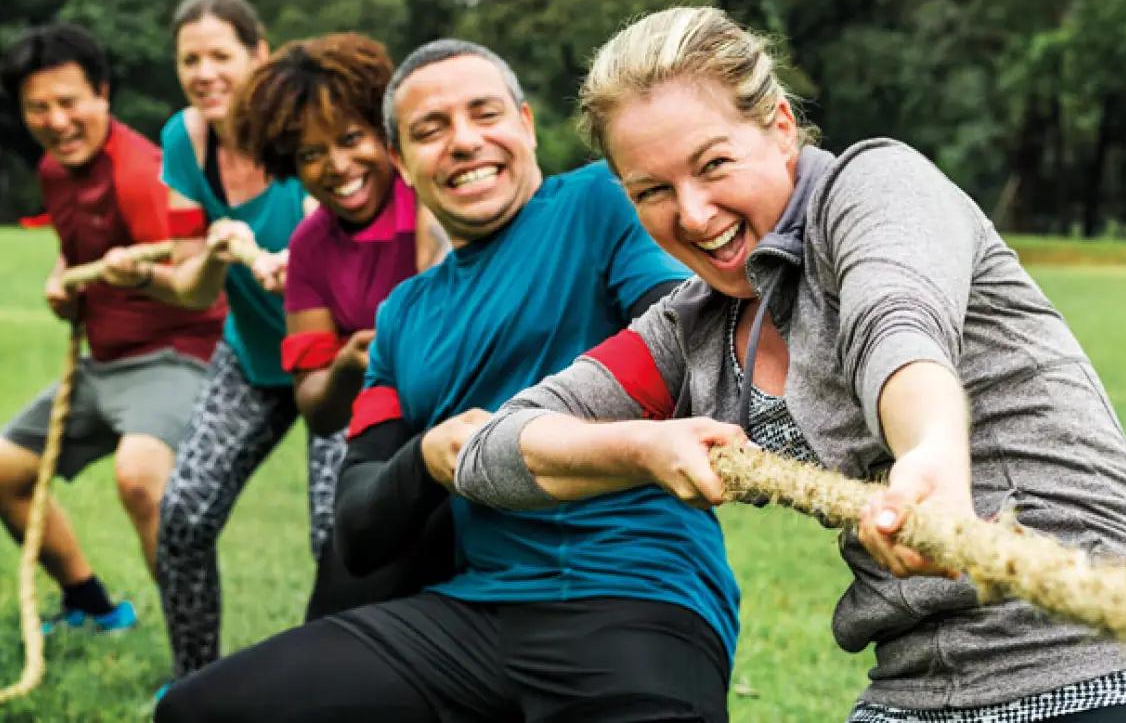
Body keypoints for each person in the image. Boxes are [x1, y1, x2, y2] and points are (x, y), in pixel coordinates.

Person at [450, 7, 1126, 723]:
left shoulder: (875, 188)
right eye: (651, 191)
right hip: (917, 693)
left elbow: (897, 325)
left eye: (713, 164)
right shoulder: (690, 329)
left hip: (1114, 657)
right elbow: (495, 451)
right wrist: (643, 447)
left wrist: (931, 458)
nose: (692, 213)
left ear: (779, 126)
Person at [156, 39, 735, 723]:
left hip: (637, 596)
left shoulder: (600, 203)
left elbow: (689, 350)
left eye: (484, 114)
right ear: (401, 162)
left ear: (525, 124)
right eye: (430, 130)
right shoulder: (401, 316)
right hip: (471, 617)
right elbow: (358, 527)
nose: (463, 141)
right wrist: (429, 456)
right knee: (196, 711)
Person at [122, 0, 342, 684]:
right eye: (190, 60)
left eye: (220, 55)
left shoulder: (307, 127)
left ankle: (342, 687)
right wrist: (199, 260)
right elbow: (192, 288)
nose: (204, 73)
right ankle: (194, 685)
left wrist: (300, 268)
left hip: (340, 360)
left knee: (336, 536)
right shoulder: (185, 141)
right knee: (183, 516)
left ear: (259, 54)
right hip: (252, 359)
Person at [0, 23, 225, 633]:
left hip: (175, 356)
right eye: (38, 108)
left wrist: (140, 276)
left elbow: (195, 281)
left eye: (69, 102)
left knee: (140, 476)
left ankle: (198, 657)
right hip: (103, 363)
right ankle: (92, 606)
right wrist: (63, 279)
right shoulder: (55, 170)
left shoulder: (141, 172)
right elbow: (79, 249)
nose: (56, 121)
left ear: (102, 93)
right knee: (6, 471)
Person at [226, 31, 448, 618]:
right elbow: (316, 407)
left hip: (463, 429)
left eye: (351, 139)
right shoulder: (309, 249)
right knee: (342, 569)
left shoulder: (431, 195)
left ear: (385, 131)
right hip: (379, 429)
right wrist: (349, 367)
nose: (338, 166)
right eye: (310, 154)